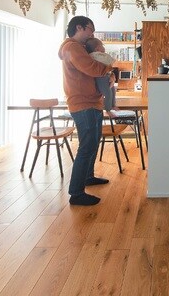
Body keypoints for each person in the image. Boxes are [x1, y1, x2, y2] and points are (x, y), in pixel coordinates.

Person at [58, 16, 115, 206]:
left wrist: (110, 74)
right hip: (83, 104)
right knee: (87, 147)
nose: (92, 33)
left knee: (92, 144)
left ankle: (88, 177)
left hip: (92, 102)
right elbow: (93, 68)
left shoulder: (79, 48)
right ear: (79, 27)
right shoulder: (72, 48)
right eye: (90, 29)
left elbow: (97, 71)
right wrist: (110, 66)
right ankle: (76, 193)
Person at [85, 37, 118, 112]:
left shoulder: (98, 55)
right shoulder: (96, 56)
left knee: (112, 90)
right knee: (108, 93)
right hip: (101, 78)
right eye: (102, 46)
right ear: (97, 49)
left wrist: (111, 73)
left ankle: (113, 105)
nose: (104, 47)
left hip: (106, 76)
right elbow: (109, 63)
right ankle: (108, 109)